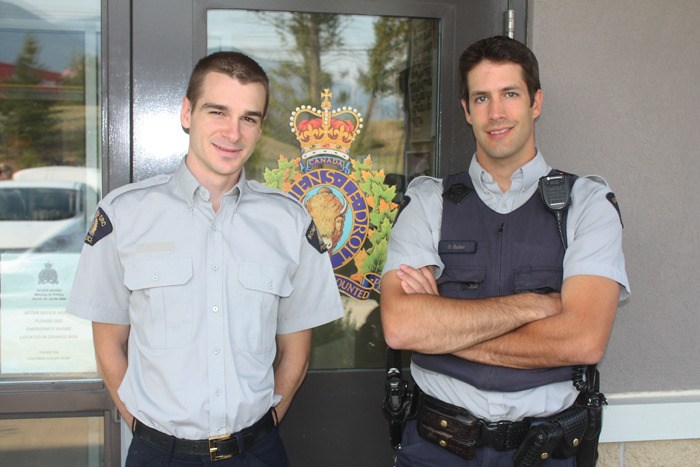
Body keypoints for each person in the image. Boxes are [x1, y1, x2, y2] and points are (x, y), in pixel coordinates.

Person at [67, 51, 344, 466]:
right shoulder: (124, 215)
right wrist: (142, 428)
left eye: (249, 118)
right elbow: (109, 344)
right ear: (186, 113)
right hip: (161, 454)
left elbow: (296, 351)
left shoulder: (289, 222)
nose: (233, 133)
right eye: (218, 111)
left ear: (260, 128)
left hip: (258, 452)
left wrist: (268, 422)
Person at [380, 36, 630, 466]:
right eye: (482, 98)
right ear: (466, 111)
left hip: (545, 450)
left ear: (536, 102)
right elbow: (403, 328)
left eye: (510, 94)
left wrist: (443, 326)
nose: (496, 113)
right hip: (436, 448)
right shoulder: (428, 202)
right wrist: (535, 306)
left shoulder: (587, 204)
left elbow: (585, 340)